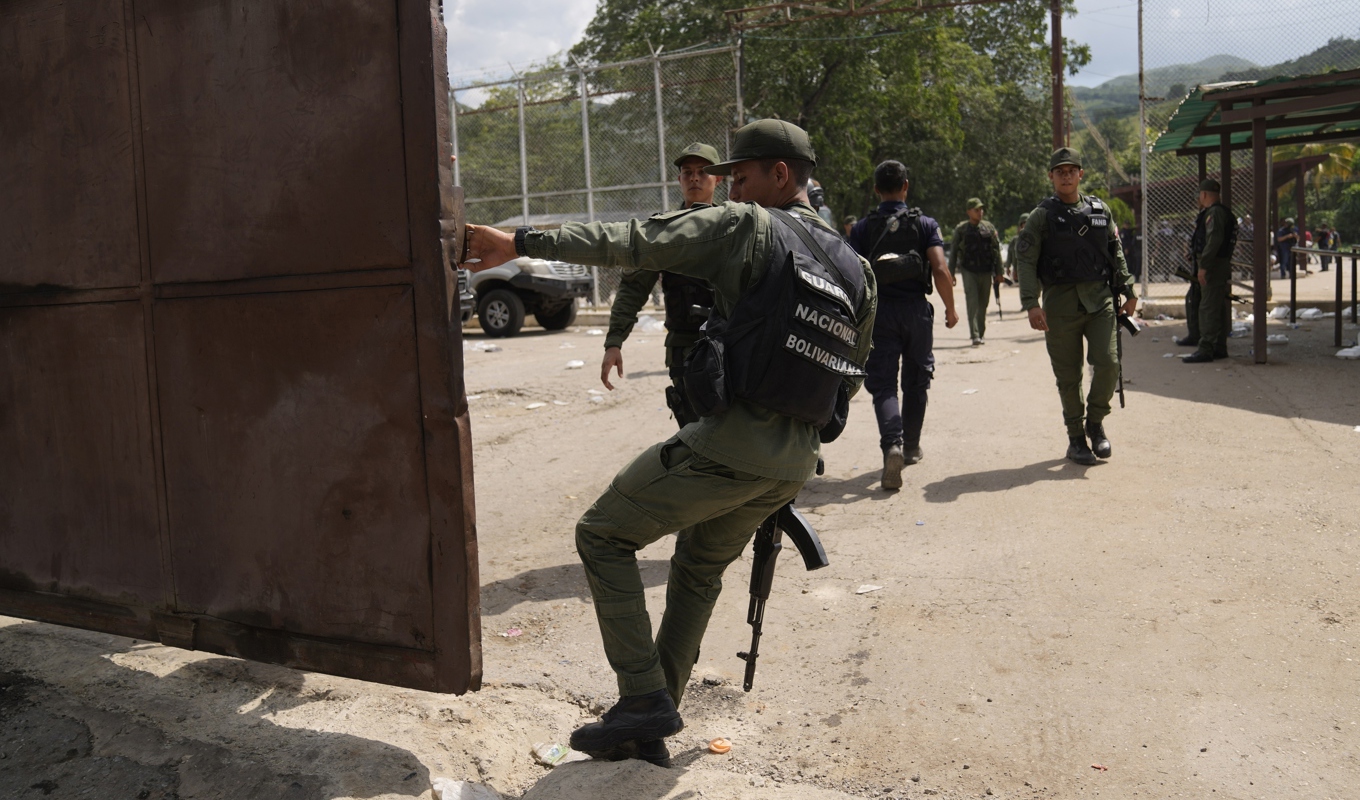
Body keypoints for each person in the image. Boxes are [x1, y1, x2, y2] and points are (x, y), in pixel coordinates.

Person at [463, 119, 876, 767]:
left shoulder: (747, 226)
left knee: (603, 533)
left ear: (782, 175)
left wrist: (518, 241)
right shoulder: (859, 269)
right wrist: (794, 448)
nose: (729, 189)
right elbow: (849, 375)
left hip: (735, 441)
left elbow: (635, 240)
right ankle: (648, 722)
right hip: (794, 462)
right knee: (698, 567)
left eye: (740, 177)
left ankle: (641, 700)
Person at [1014, 148, 1137, 466]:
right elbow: (1026, 260)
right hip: (1060, 307)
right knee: (1069, 377)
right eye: (1060, 171)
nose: (1066, 175)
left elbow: (1116, 251)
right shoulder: (1041, 216)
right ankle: (1075, 439)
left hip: (1100, 302)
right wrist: (1031, 303)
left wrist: (1129, 289)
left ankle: (1094, 423)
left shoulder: (1100, 210)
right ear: (1051, 176)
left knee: (1109, 364)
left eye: (1072, 170)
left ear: (1081, 174)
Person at [847, 160, 958, 490]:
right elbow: (939, 268)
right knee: (917, 380)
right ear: (906, 186)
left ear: (876, 190)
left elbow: (852, 274)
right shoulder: (924, 224)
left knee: (883, 385)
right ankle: (910, 447)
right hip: (916, 313)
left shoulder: (863, 228)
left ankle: (891, 445)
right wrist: (951, 308)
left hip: (881, 314)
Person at [600, 142, 724, 426]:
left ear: (718, 178)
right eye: (687, 172)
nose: (694, 178)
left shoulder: (735, 225)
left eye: (703, 172)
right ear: (679, 179)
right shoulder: (663, 231)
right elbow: (633, 288)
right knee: (694, 433)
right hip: (686, 350)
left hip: (731, 344)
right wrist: (614, 341)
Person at [1181, 179, 1238, 363]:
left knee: (1208, 307)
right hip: (1214, 264)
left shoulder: (1215, 213)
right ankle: (1218, 347)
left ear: (1204, 194)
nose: (1198, 198)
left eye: (1199, 195)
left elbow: (1214, 241)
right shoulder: (1215, 212)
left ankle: (1206, 348)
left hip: (1213, 266)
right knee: (1215, 305)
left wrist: (1204, 266)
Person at [949, 198, 1005, 345]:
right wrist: (951, 274)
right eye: (976, 210)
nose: (980, 212)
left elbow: (996, 251)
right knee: (972, 302)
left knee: (983, 304)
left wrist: (1000, 272)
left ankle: (980, 332)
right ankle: (975, 335)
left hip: (986, 271)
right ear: (969, 212)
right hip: (969, 271)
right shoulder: (961, 229)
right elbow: (954, 252)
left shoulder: (989, 228)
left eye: (981, 209)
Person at [1005, 212, 1029, 283]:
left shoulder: (1036, 238)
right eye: (1023, 223)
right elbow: (1010, 254)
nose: (1025, 225)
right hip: (1019, 269)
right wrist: (1008, 267)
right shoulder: (1015, 240)